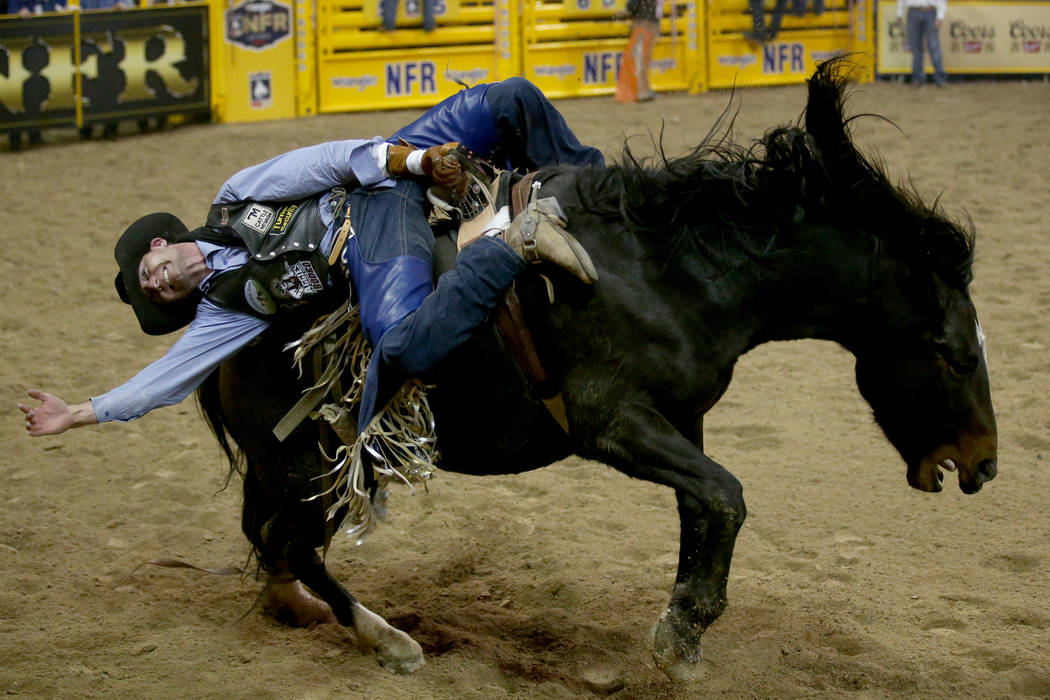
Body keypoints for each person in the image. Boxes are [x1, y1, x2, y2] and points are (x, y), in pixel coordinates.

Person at [20, 78, 604, 441]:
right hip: (372, 241)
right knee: (401, 343)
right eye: (155, 293)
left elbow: (319, 163)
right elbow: (161, 384)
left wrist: (416, 163)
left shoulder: (233, 200)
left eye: (149, 272)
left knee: (511, 100)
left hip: (381, 174)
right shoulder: (225, 311)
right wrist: (78, 413)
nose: (158, 282)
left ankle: (607, 195)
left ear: (159, 245)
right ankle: (512, 240)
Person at [615, 0, 659, 103]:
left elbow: (631, 7)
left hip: (642, 26)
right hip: (651, 26)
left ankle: (641, 92)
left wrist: (621, 13)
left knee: (638, 60)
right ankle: (645, 90)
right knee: (644, 59)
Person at [897, 0, 947, 87]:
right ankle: (917, 78)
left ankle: (940, 79)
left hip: (930, 11)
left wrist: (940, 16)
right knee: (916, 47)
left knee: (934, 46)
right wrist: (899, 13)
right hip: (913, 11)